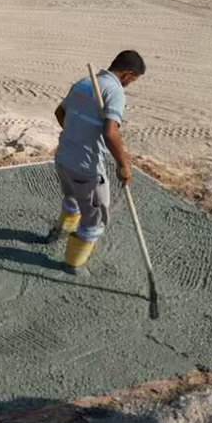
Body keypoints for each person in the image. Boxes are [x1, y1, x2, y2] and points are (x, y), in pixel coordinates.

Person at [48, 51, 146, 271]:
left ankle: (61, 232)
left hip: (63, 157)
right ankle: (73, 265)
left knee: (72, 198)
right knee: (94, 221)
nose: (132, 84)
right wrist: (124, 164)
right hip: (87, 167)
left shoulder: (83, 83)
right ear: (128, 74)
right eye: (134, 80)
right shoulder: (115, 91)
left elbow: (59, 112)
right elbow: (111, 133)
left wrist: (76, 133)